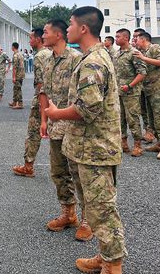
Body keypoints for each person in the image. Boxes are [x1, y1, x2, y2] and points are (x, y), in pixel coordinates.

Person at [45, 6, 126, 273]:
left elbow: (87, 108)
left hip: (96, 149)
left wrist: (56, 114)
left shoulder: (93, 61)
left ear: (83, 29)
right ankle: (106, 255)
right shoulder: (91, 57)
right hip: (85, 148)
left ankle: (113, 264)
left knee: (102, 209)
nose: (66, 29)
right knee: (93, 207)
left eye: (70, 24)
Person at [37, 20, 92, 240]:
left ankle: (87, 219)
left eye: (46, 32)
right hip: (54, 126)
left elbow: (84, 98)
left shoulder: (76, 59)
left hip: (73, 126)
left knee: (80, 174)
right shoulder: (47, 61)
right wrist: (43, 120)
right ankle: (68, 213)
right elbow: (43, 93)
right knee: (58, 172)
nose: (43, 35)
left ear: (58, 35)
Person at [13, 28, 52, 177]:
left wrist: (42, 108)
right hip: (54, 100)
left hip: (41, 99)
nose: (29, 41)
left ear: (37, 39)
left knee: (33, 133)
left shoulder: (39, 56)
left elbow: (40, 84)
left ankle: (28, 166)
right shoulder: (49, 53)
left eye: (30, 38)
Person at [134, 32, 160, 160]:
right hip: (148, 90)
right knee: (151, 120)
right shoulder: (142, 52)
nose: (135, 42)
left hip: (158, 88)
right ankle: (158, 142)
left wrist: (143, 58)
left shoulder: (155, 48)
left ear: (143, 39)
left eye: (136, 39)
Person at [115, 28, 147, 157]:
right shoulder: (117, 54)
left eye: (118, 37)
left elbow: (142, 73)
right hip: (118, 92)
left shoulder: (134, 53)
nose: (116, 39)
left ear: (125, 38)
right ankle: (123, 142)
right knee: (120, 118)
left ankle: (138, 145)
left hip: (131, 92)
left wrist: (129, 85)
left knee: (133, 118)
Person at [133, 28, 153, 142]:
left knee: (155, 113)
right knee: (143, 111)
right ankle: (148, 131)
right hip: (140, 86)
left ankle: (151, 133)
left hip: (153, 86)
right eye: (134, 37)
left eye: (137, 37)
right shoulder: (136, 50)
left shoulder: (152, 49)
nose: (135, 39)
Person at [9, 42, 26, 109]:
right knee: (15, 88)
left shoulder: (15, 56)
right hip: (21, 74)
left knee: (18, 89)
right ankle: (14, 102)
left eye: (11, 46)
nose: (11, 48)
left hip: (18, 75)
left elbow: (14, 67)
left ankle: (20, 103)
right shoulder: (20, 54)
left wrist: (13, 77)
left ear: (13, 47)